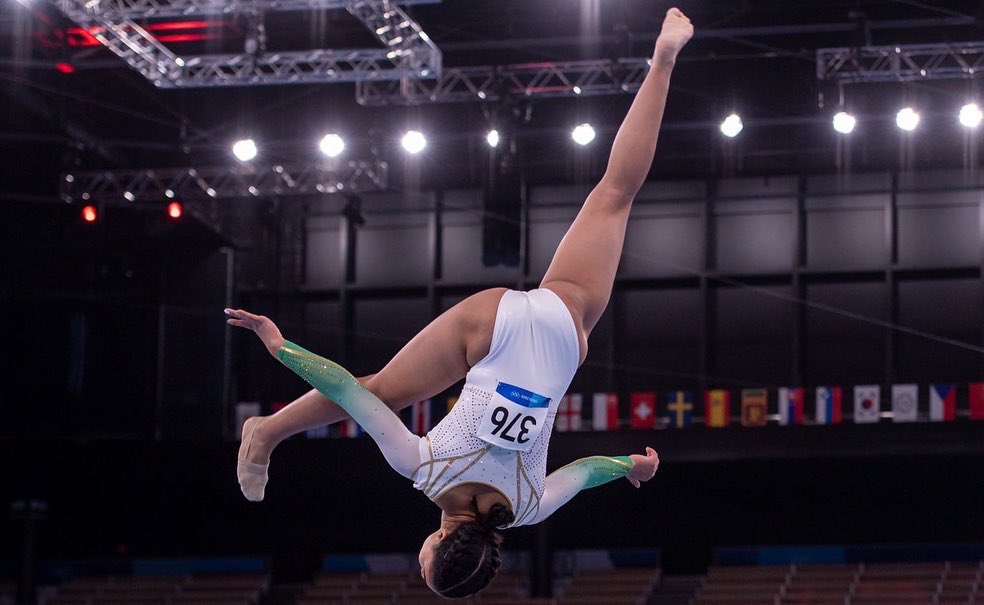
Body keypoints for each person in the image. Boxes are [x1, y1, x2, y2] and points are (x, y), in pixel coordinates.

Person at [226, 8, 692, 599]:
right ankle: (266, 432)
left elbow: (589, 470)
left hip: (561, 335)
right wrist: (277, 343)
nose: (418, 554)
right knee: (381, 389)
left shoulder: (528, 511)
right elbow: (346, 388)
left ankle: (665, 59)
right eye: (423, 563)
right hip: (491, 330)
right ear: (440, 545)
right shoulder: (419, 470)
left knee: (617, 194)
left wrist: (634, 466)